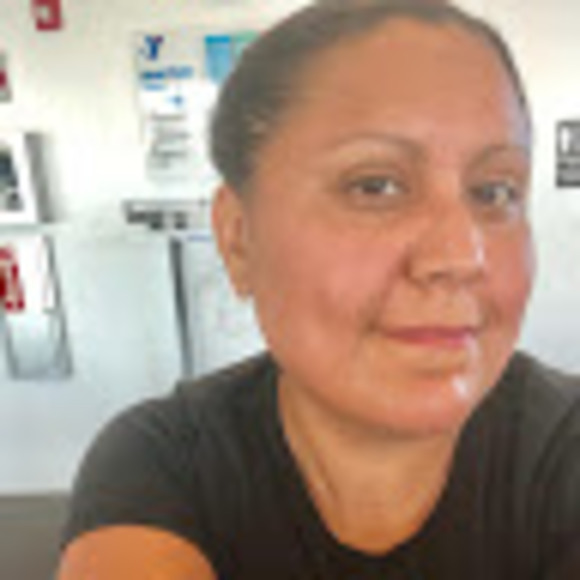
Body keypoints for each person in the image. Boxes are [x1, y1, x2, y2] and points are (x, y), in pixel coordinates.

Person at [58, 1, 580, 578]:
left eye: (495, 192)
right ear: (239, 239)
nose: (461, 256)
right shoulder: (165, 460)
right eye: (375, 186)